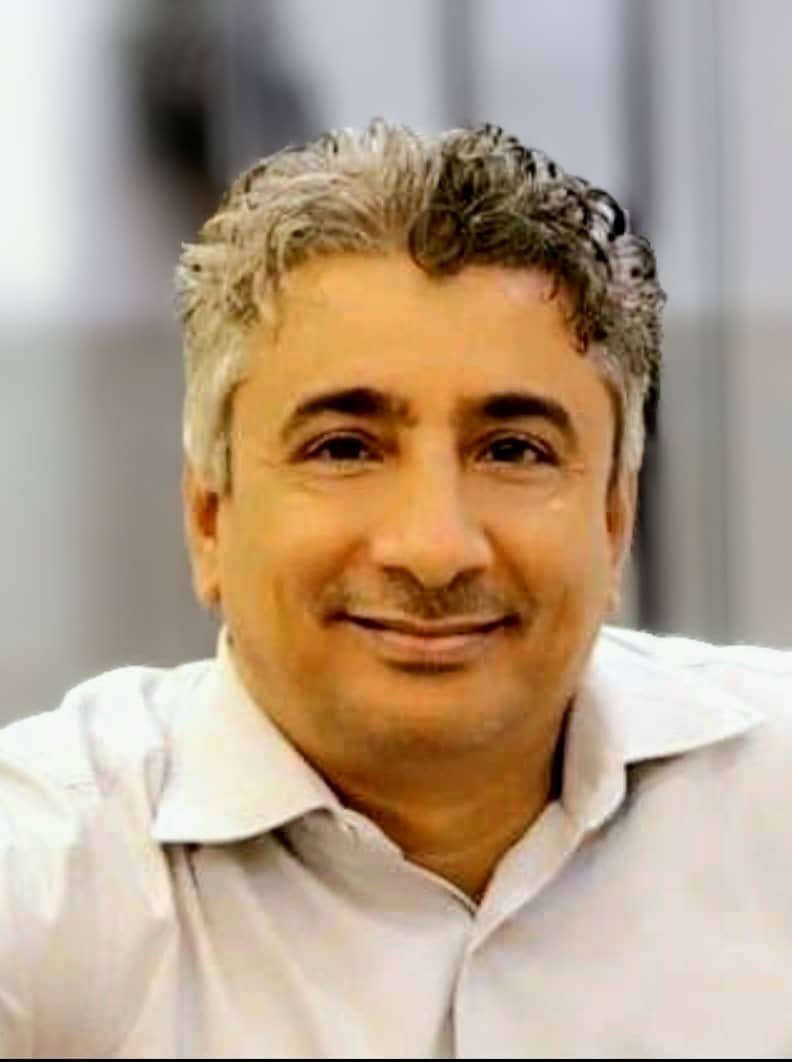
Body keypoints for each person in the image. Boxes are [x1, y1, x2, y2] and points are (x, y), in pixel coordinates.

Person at [2, 119, 791, 1060]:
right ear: (211, 517)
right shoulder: (46, 872)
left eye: (514, 451)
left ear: (614, 521)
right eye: (343, 448)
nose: (434, 549)